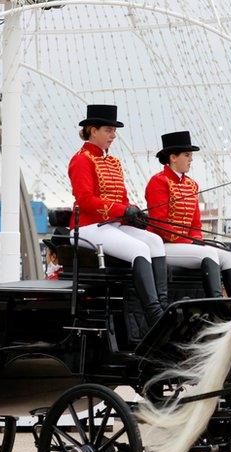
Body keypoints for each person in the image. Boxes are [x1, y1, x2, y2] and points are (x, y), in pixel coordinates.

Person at [69, 104, 167, 324]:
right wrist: (123, 210)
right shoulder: (82, 159)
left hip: (113, 225)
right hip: (88, 227)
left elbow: (121, 198)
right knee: (139, 248)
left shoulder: (113, 162)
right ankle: (154, 314)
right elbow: (85, 200)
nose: (113, 135)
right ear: (93, 130)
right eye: (108, 130)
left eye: (114, 131)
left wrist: (132, 213)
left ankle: (163, 304)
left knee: (155, 241)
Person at [145, 131, 231, 298]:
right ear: (173, 157)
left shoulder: (192, 185)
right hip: (163, 246)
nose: (191, 159)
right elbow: (159, 223)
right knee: (209, 253)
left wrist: (195, 239)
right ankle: (216, 305)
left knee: (229, 256)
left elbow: (195, 223)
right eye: (187, 155)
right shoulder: (158, 182)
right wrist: (190, 241)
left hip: (186, 244)